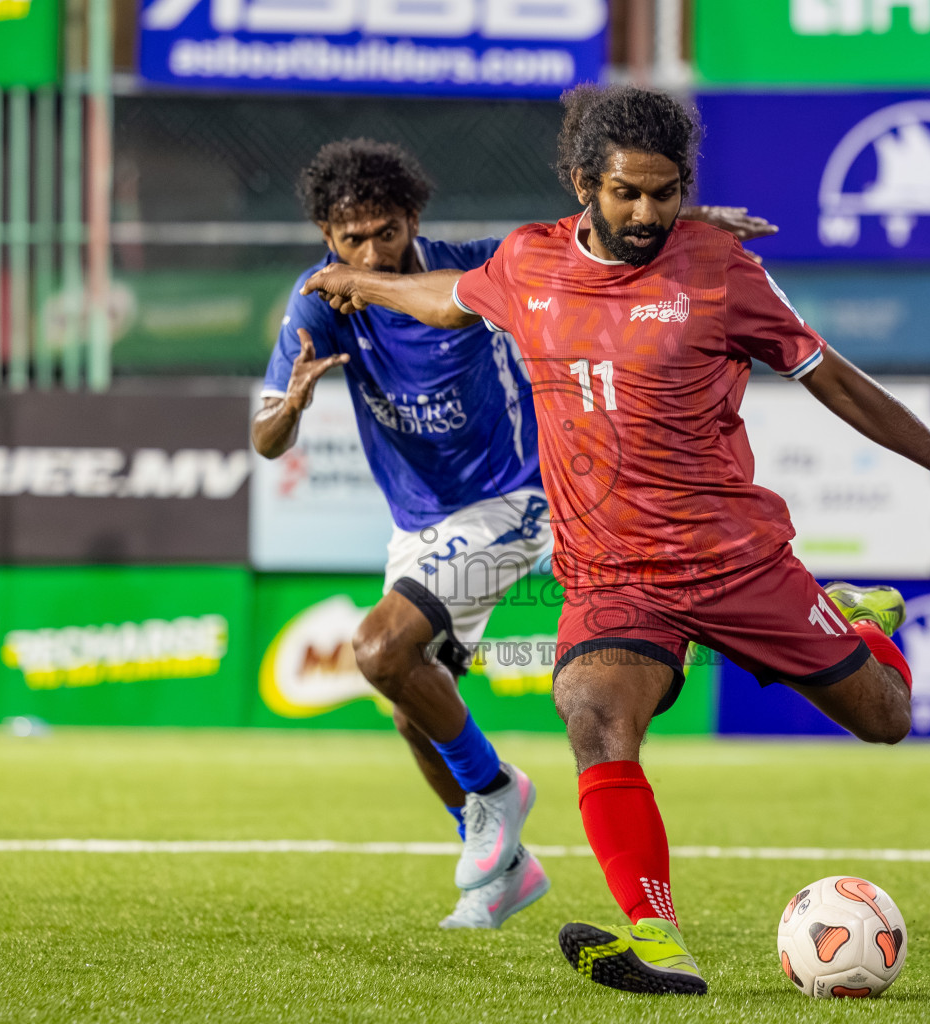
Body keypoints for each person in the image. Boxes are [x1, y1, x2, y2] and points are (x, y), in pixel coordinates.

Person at [304, 87, 930, 995]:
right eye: (627, 194)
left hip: (734, 561)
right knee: (593, 716)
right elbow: (450, 301)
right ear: (584, 185)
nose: (649, 213)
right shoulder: (528, 263)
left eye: (666, 193)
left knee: (885, 719)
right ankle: (657, 939)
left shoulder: (721, 270)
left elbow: (834, 380)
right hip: (613, 575)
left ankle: (858, 621)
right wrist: (360, 282)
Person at [252, 138, 777, 930]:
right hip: (421, 523)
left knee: (378, 648)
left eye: (386, 232)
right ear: (327, 236)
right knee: (412, 701)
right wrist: (288, 410)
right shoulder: (320, 299)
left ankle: (494, 792)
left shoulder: (466, 267)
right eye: (351, 239)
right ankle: (503, 873)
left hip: (515, 497)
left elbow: (585, 240)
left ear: (413, 219)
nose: (371, 253)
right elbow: (265, 439)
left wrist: (690, 222)